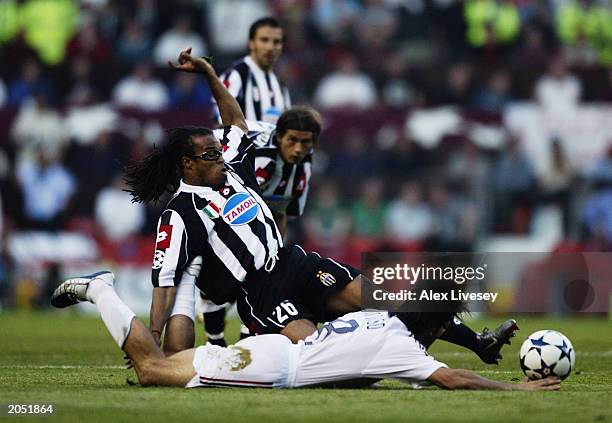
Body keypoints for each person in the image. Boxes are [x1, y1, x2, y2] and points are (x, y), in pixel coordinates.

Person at [124, 49, 516, 367]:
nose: (220, 156)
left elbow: (235, 118)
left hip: (295, 263)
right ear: (187, 165)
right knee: (321, 356)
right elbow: (165, 282)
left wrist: (210, 74)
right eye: (211, 153)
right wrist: (153, 342)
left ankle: (477, 343)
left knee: (387, 301)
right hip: (261, 293)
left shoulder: (231, 168)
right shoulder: (179, 213)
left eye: (217, 149)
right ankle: (398, 363)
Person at [50, 271, 560, 391]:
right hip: (276, 364)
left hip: (279, 348)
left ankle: (104, 292)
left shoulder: (385, 322)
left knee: (154, 372)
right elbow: (450, 378)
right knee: (152, 369)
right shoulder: (399, 346)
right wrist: (513, 387)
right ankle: (102, 291)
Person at [201, 107, 322, 346]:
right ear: (279, 137)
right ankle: (215, 342)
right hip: (211, 194)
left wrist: (274, 257)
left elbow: (282, 212)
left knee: (262, 277)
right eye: (292, 141)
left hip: (249, 206)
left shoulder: (304, 166)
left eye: (305, 142)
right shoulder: (258, 158)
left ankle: (249, 342)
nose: (298, 149)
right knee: (219, 279)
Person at [218, 16, 291, 124]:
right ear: (251, 43)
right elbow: (221, 120)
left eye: (276, 42)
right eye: (264, 40)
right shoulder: (236, 75)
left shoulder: (280, 86)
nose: (270, 47)